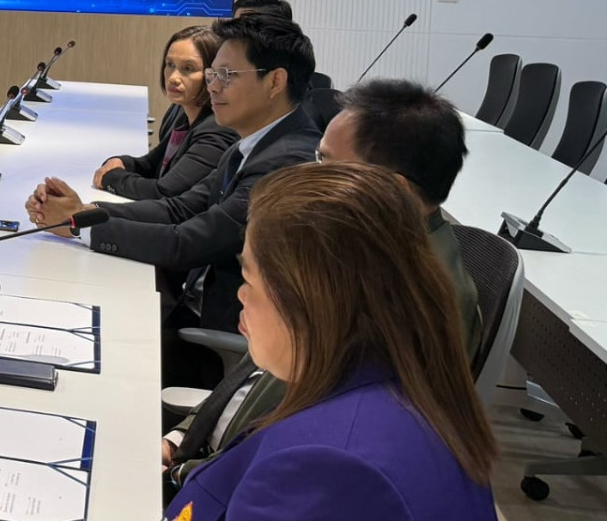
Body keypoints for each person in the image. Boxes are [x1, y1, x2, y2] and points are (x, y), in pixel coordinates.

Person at [152, 162, 515, 521]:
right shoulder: (385, 386)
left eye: (250, 276)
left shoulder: (341, 472)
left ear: (310, 298)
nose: (240, 294)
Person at [165, 79, 484, 485]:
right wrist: (179, 438)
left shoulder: (409, 303)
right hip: (212, 459)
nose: (310, 175)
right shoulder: (363, 249)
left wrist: (185, 472)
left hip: (242, 485)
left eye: (329, 164)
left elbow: (310, 448)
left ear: (393, 191)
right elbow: (253, 377)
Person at [26, 14, 322, 363]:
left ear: (275, 82)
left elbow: (190, 242)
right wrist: (84, 214)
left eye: (226, 75)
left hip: (228, 339)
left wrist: (78, 226)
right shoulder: (253, 144)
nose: (213, 87)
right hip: (195, 306)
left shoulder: (284, 162)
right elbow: (179, 208)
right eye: (212, 74)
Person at [93, 25, 235, 201]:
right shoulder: (182, 113)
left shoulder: (217, 130)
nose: (173, 77)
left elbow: (164, 191)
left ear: (212, 74)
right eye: (170, 65)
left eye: (188, 68)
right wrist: (121, 162)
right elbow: (151, 164)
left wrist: (111, 178)